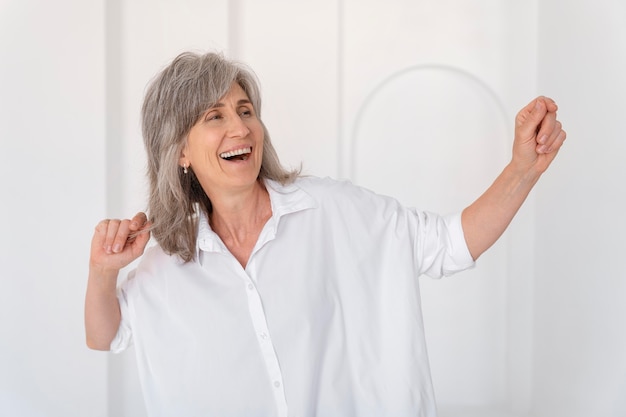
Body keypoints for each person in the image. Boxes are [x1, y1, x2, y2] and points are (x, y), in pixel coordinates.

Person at [85, 51, 566, 417]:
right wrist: (102, 273)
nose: (242, 128)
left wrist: (523, 169)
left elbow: (448, 245)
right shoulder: (167, 258)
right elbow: (106, 335)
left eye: (246, 110)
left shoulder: (331, 210)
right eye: (215, 117)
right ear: (179, 152)